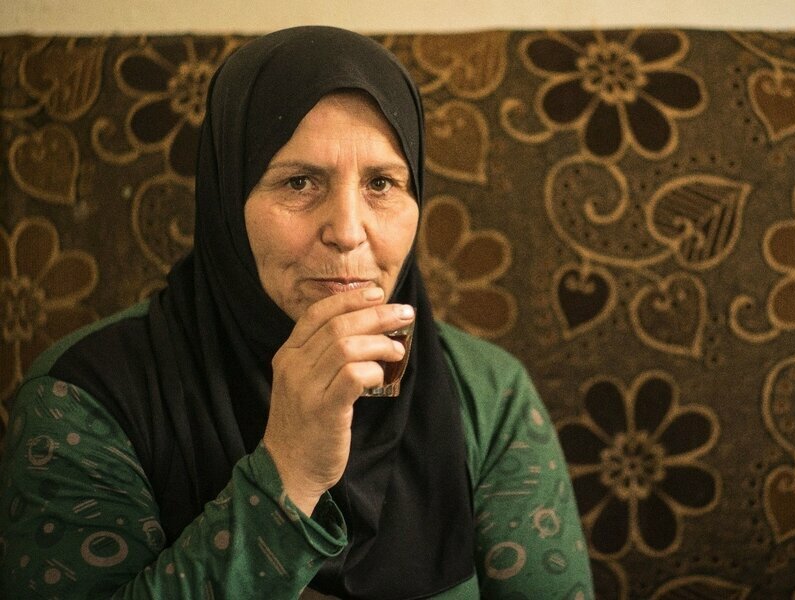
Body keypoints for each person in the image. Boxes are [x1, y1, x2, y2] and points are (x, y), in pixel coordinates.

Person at [0, 26, 592, 598]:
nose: (347, 232)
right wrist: (289, 472)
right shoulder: (83, 397)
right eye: (300, 181)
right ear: (228, 199)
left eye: (383, 183)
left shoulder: (488, 392)